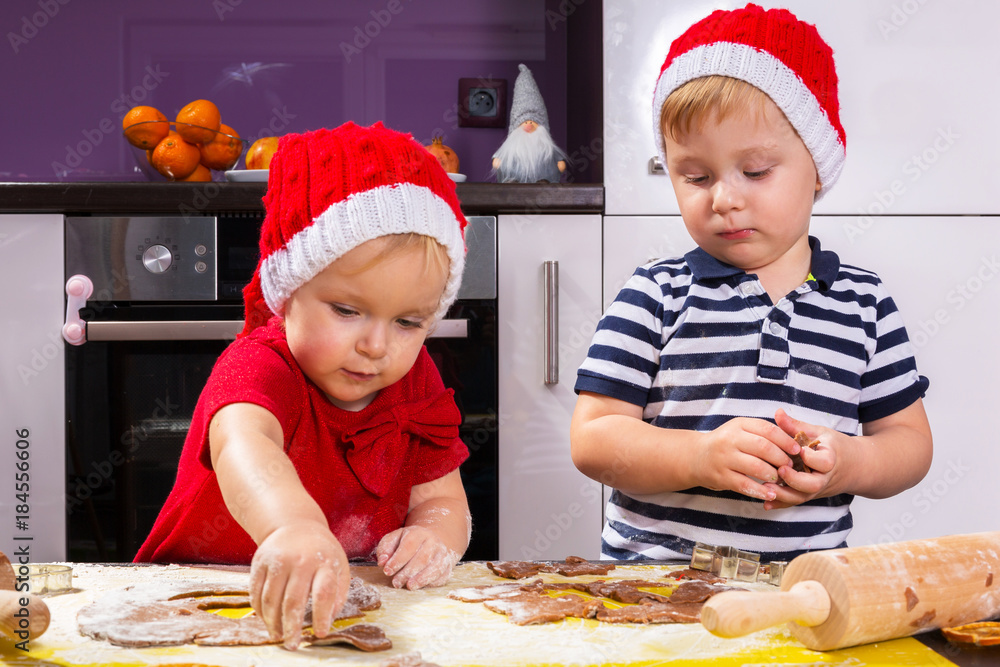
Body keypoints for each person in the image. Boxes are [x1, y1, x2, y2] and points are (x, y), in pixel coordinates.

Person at [570, 4, 932, 563]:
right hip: (653, 597)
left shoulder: (864, 304)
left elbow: (910, 445)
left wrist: (849, 465)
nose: (724, 198)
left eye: (756, 170)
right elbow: (593, 440)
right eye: (695, 176)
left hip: (801, 599)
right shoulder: (655, 294)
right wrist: (699, 456)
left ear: (817, 168)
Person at [135, 122, 472, 649]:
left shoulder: (415, 379)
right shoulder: (260, 364)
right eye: (346, 310)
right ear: (287, 292)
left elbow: (445, 500)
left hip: (340, 611)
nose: (377, 345)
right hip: (196, 604)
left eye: (409, 322)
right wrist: (291, 527)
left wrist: (433, 535)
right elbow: (244, 446)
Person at [491, 63, 567, 183]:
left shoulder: (547, 150)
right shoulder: (511, 148)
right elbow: (497, 161)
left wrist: (559, 164)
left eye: (532, 121)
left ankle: (543, 183)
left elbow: (560, 164)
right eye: (524, 122)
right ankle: (512, 183)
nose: (528, 125)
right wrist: (499, 162)